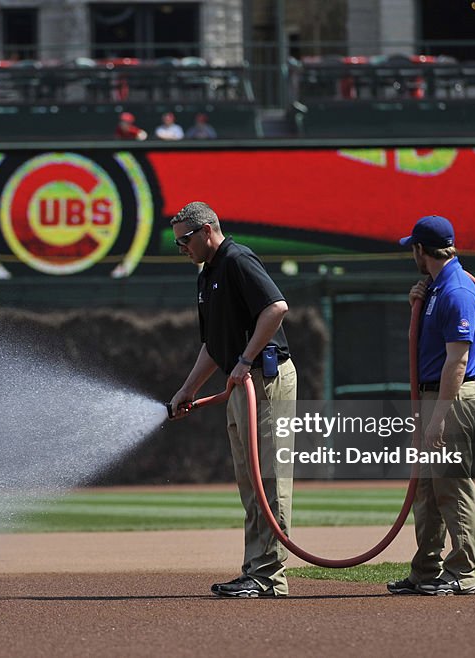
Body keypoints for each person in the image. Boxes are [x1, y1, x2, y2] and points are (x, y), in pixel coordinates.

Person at [168, 201, 297, 598]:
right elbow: (213, 344)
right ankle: (255, 571)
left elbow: (276, 308)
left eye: (186, 240)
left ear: (208, 230)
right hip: (241, 385)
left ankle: (269, 578)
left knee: (270, 481)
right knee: (250, 483)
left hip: (265, 380)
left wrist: (245, 359)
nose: (183, 249)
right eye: (178, 244)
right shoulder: (207, 275)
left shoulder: (237, 259)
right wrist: (188, 388)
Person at [388, 214, 475, 596]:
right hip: (433, 395)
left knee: (451, 486)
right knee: (427, 489)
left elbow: (457, 361)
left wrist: (439, 417)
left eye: (413, 246)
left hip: (451, 397)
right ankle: (427, 570)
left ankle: (462, 572)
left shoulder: (458, 290)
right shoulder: (436, 288)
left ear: (421, 249)